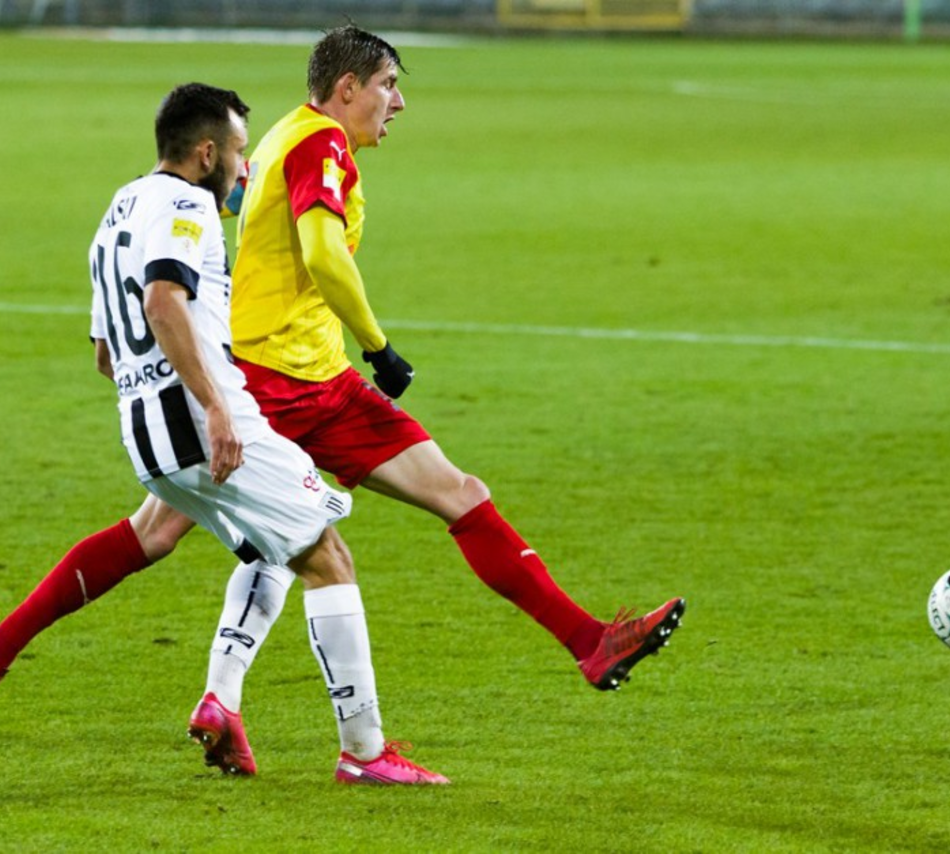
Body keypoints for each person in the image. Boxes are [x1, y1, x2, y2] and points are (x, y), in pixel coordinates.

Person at [0, 82, 446, 786]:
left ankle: (21, 658)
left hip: (146, 429)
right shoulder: (188, 207)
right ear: (207, 153)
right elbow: (162, 301)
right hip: (205, 421)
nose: (245, 168)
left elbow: (103, 351)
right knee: (327, 554)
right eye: (239, 152)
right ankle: (363, 753)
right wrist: (213, 405)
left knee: (182, 536)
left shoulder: (120, 207)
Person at [229, 24, 686, 690]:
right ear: (347, 88)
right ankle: (225, 701)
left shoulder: (286, 133)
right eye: (388, 85)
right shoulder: (319, 143)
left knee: (461, 495)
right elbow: (323, 254)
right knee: (172, 534)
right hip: (274, 384)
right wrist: (379, 347)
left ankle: (592, 642)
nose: (398, 102)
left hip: (314, 377)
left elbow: (241, 203)